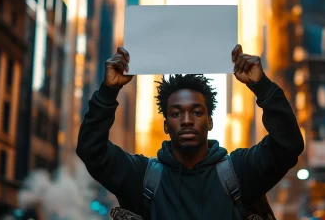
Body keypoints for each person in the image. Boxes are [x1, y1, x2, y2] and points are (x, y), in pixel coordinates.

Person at [76, 45, 304, 220]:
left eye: (196, 112)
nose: (186, 120)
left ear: (210, 121)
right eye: (176, 114)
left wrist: (262, 86)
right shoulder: (143, 177)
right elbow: (91, 150)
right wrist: (109, 90)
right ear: (166, 125)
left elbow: (288, 145)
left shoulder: (240, 172)